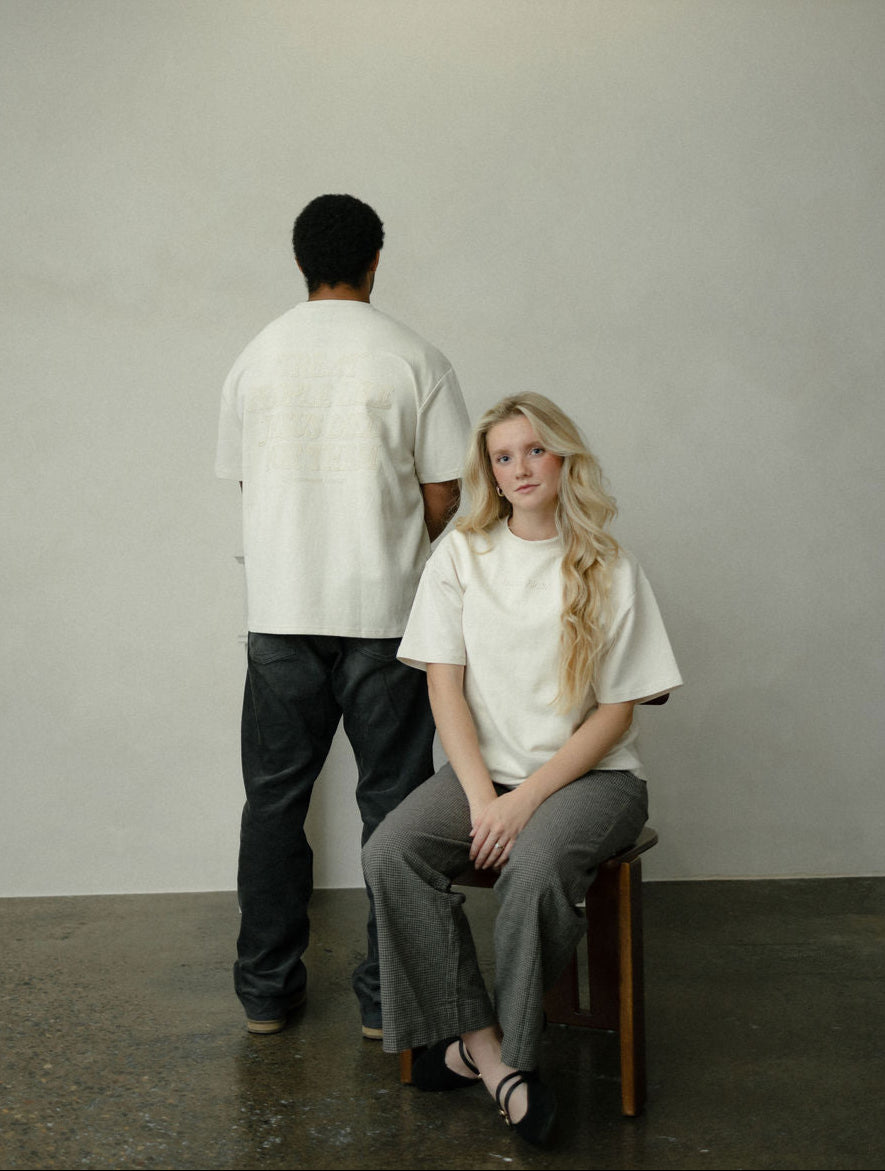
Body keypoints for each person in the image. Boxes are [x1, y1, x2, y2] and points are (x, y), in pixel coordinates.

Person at [362, 393, 682, 1145]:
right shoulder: (461, 556)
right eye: (503, 457)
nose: (520, 467)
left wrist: (523, 800)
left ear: (563, 457)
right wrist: (484, 799)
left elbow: (618, 713)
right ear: (491, 474)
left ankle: (510, 1057)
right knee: (391, 852)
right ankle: (485, 1049)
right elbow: (443, 687)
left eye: (534, 449)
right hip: (486, 775)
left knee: (535, 871)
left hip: (595, 780)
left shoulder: (610, 565)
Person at [215, 193, 470, 1040]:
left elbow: (248, 481)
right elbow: (445, 491)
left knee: (272, 804)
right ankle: (385, 998)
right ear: (374, 262)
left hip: (280, 611)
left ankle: (264, 991)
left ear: (300, 262)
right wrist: (394, 542)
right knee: (393, 808)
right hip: (385, 614)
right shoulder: (414, 356)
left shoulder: (255, 357)